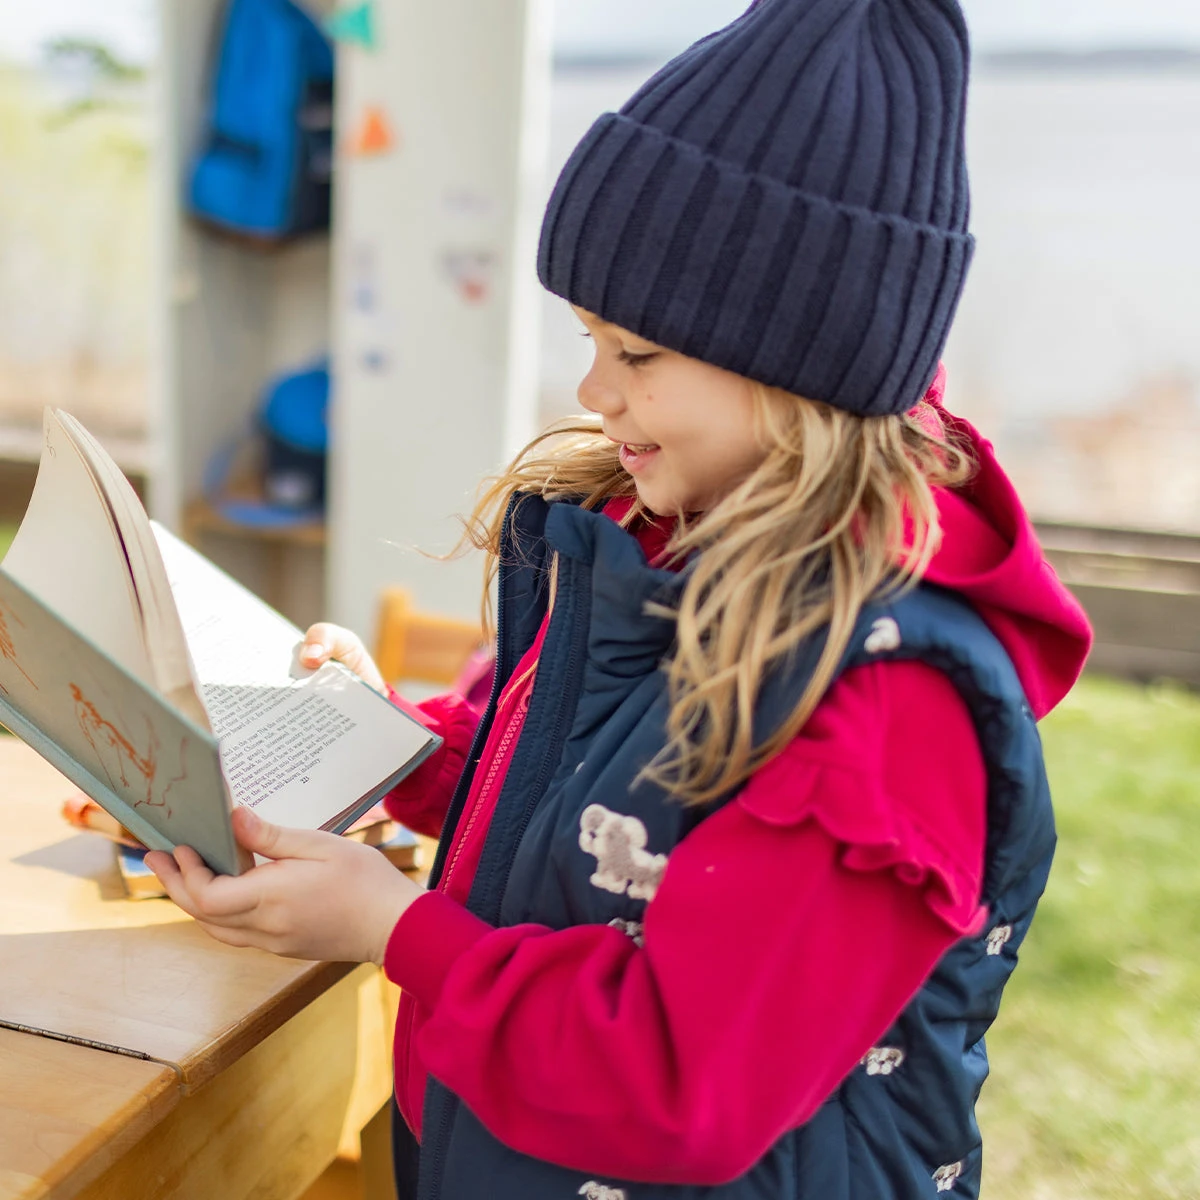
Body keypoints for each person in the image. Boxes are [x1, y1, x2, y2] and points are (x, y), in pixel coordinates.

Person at [147, 1, 1094, 1196]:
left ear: (806, 362)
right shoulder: (655, 537)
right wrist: (387, 745)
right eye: (590, 338)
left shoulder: (891, 710)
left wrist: (394, 931)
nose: (595, 389)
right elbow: (575, 793)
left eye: (639, 355)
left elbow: (678, 1081)